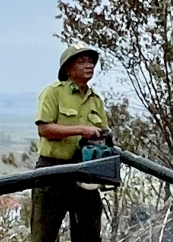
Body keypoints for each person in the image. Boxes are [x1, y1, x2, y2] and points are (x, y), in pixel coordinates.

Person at [31, 44, 110, 242]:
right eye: (82, 61)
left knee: (89, 234)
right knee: (44, 234)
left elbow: (104, 134)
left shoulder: (96, 100)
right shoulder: (53, 93)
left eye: (91, 61)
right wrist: (81, 129)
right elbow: (44, 129)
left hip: (86, 174)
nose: (89, 65)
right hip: (52, 171)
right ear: (67, 68)